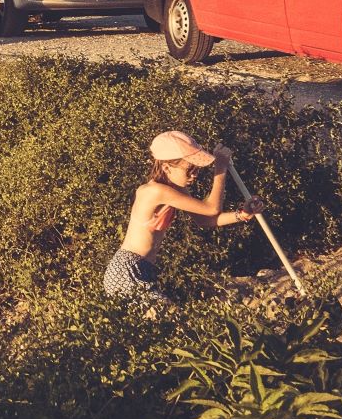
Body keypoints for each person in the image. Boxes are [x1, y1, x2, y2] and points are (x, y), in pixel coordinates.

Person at [103, 130, 261, 305]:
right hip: (127, 269)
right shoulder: (155, 191)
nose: (194, 175)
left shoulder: (174, 189)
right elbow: (211, 208)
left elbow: (205, 220)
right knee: (170, 319)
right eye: (189, 169)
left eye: (196, 169)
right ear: (166, 168)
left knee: (160, 326)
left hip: (142, 269)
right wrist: (220, 169)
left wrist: (242, 215)